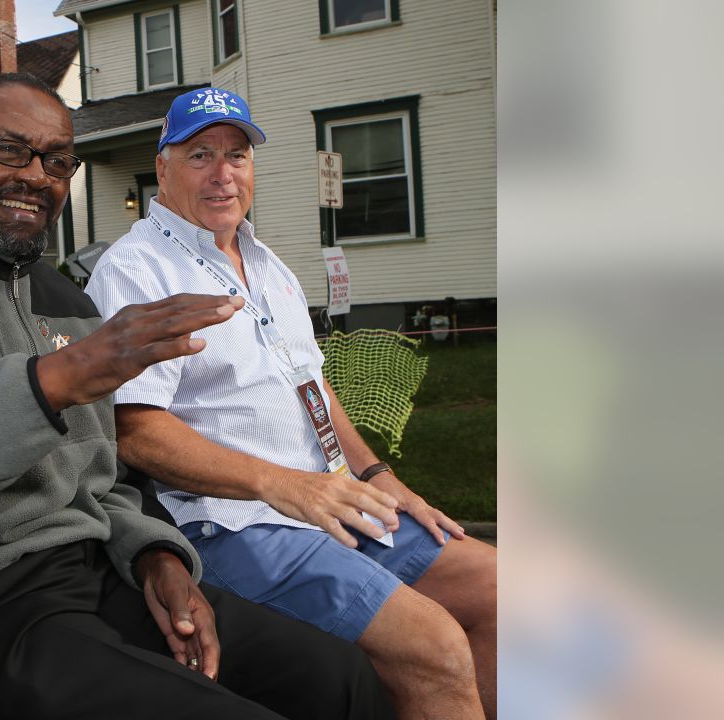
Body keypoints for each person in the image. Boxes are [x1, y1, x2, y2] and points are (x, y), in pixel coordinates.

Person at [0, 73, 396, 720]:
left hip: (94, 574)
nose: (36, 176)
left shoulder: (65, 301)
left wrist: (159, 555)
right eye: (10, 150)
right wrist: (51, 382)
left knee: (341, 677)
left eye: (55, 160)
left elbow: (109, 474)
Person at [84, 87, 498, 720]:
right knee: (434, 643)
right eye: (201, 155)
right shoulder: (138, 272)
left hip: (331, 502)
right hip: (231, 523)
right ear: (162, 167)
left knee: (503, 591)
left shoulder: (269, 263)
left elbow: (315, 386)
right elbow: (131, 429)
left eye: (238, 155)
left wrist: (381, 477)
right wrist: (285, 487)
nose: (224, 174)